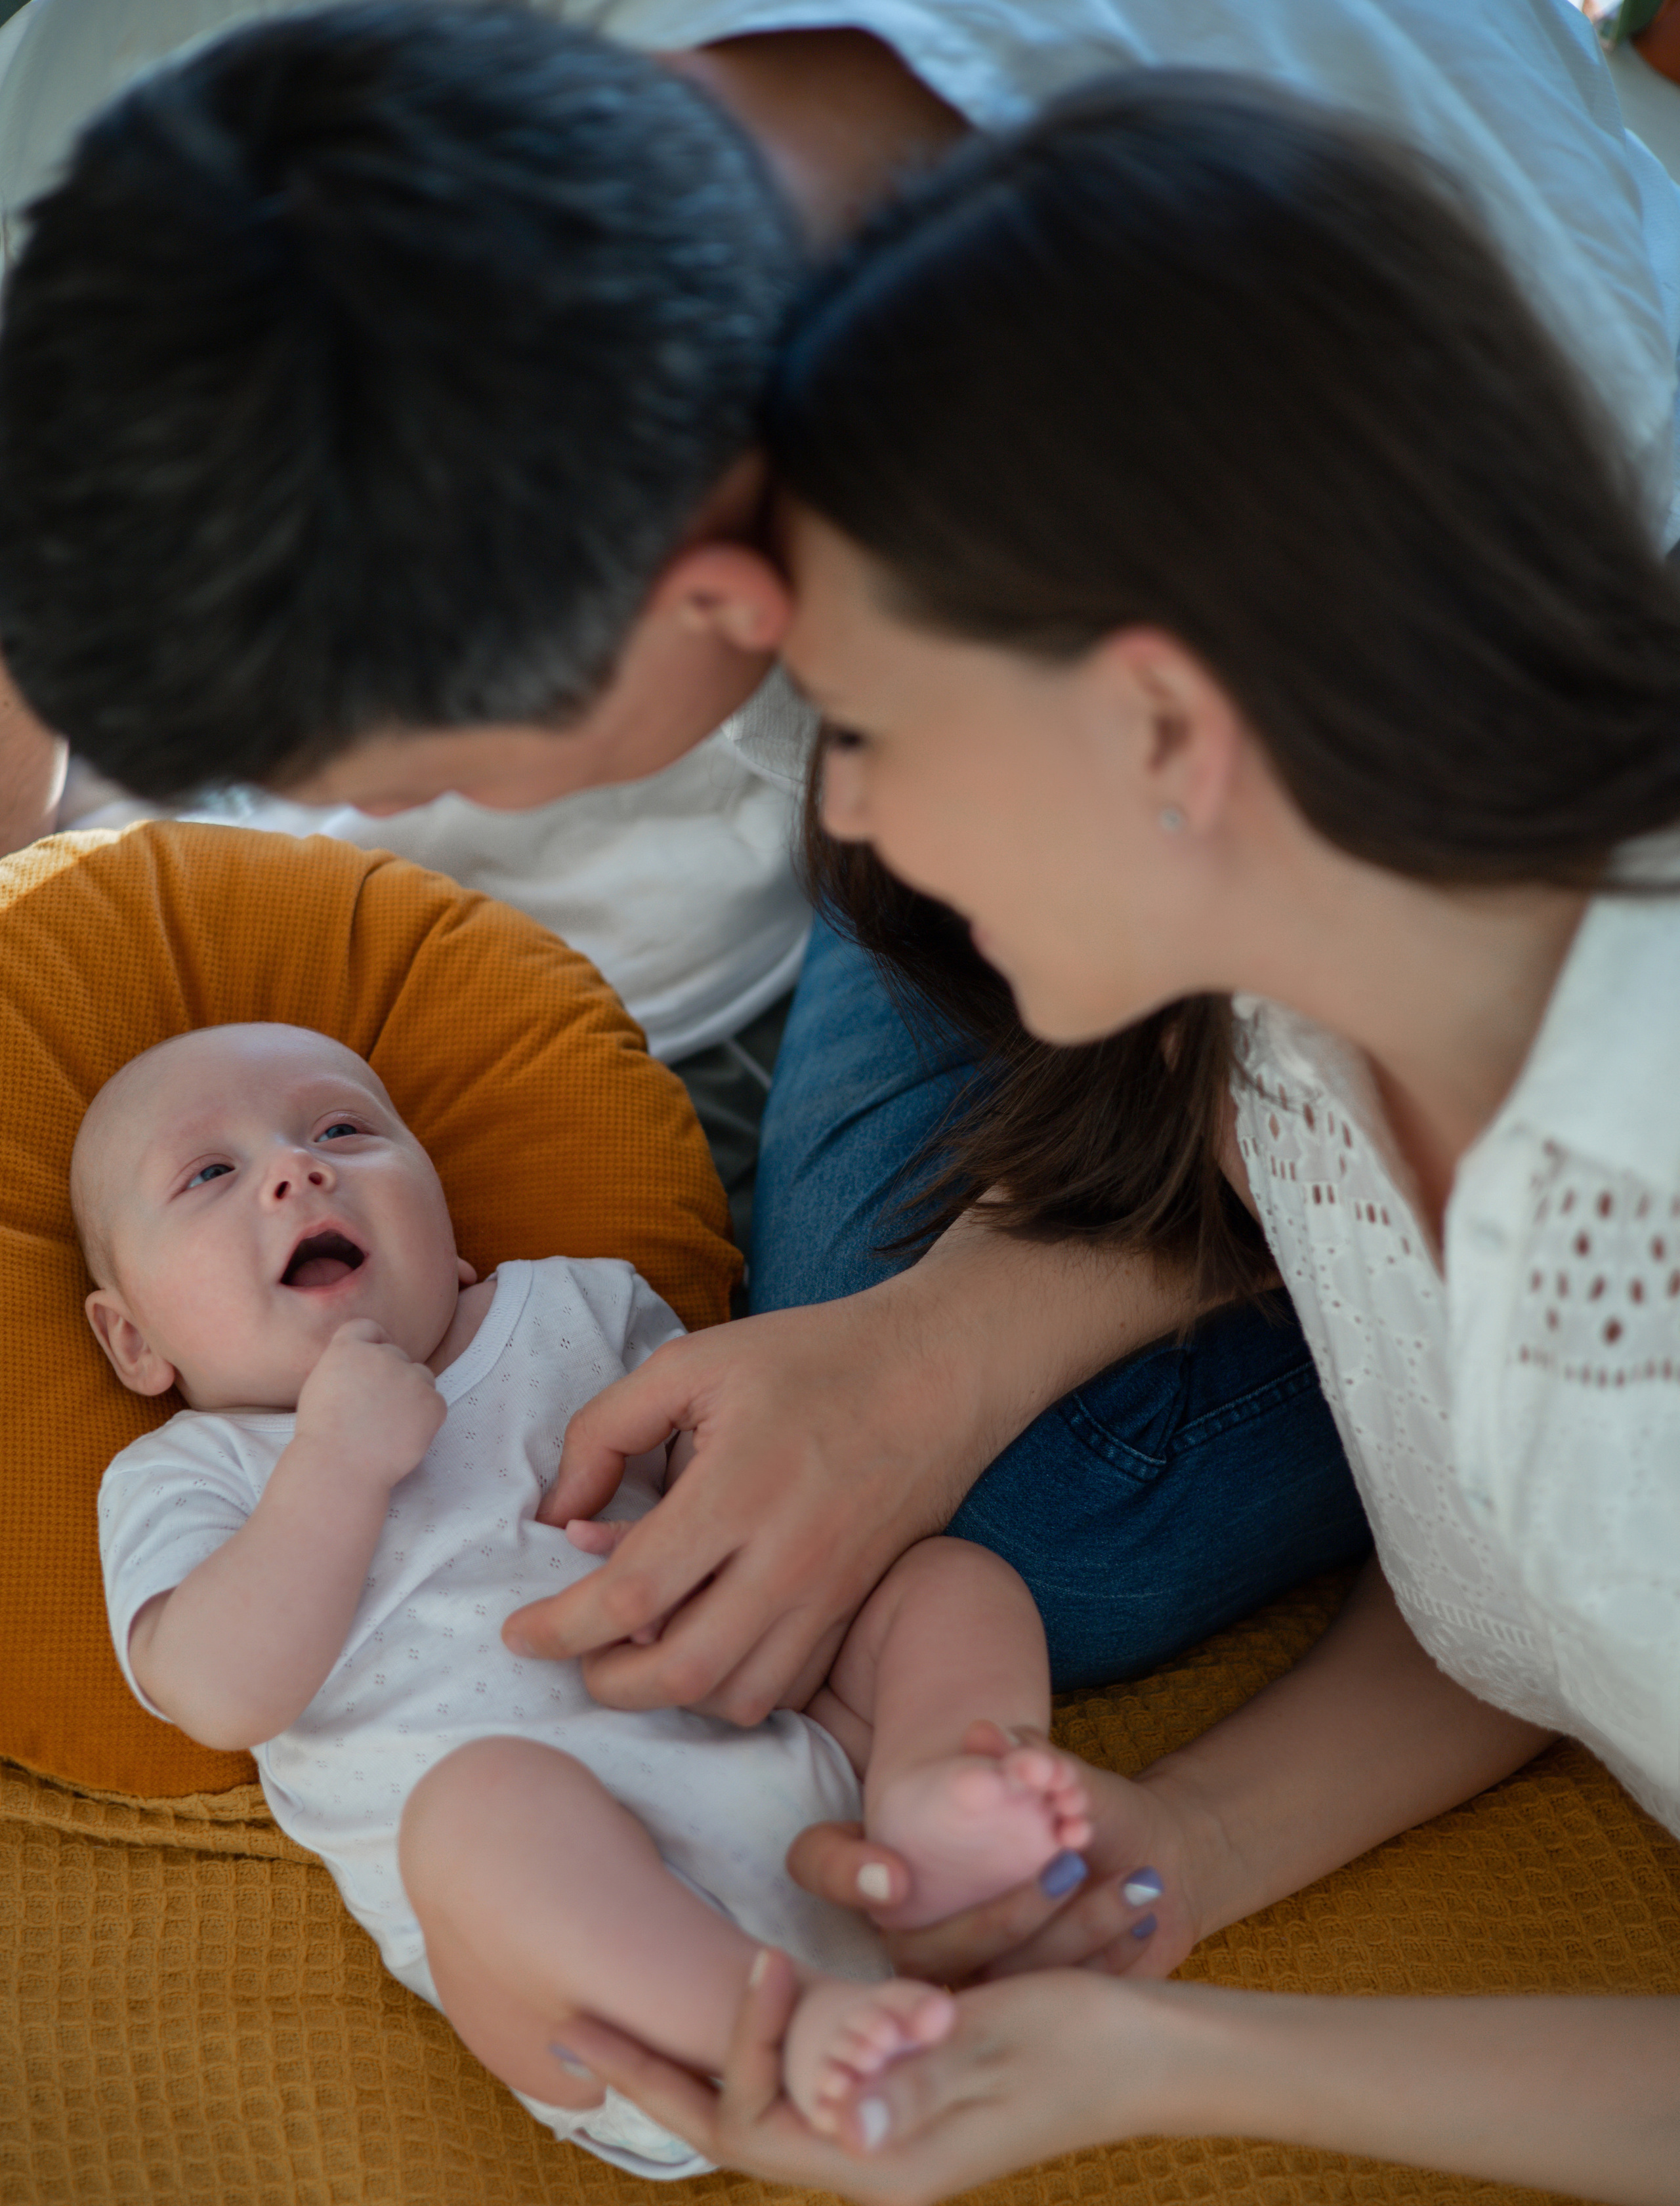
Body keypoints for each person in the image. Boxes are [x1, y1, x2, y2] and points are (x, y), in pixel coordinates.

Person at [0, 0, 1675, 1727]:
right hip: (1091, 798)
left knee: (1010, 1522)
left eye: (418, 783)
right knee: (789, 1501)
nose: (372, 836)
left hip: (1448, 820)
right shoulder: (541, 193)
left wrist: (944, 1350)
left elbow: (1425, 972)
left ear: (725, 606)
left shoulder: (1437, 401)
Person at [537, 80, 1680, 2206]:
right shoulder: (1300, 1033)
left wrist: (1173, 2060)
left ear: (1160, 726)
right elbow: (1530, 1576)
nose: (849, 814)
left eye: (867, 725)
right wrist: (1193, 1858)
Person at [79, 1021, 1091, 2177]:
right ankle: (781, 2020)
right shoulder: (190, 1471)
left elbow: (750, 1481)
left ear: (446, 1230)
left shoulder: (574, 1307)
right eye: (209, 1173)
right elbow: (218, 1692)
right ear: (133, 1340)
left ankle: (939, 1809)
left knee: (940, 1584)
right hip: (592, 1984)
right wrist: (336, 1463)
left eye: (344, 1131)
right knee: (474, 1812)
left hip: (798, 1772)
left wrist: (688, 1539)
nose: (296, 1169)